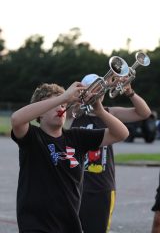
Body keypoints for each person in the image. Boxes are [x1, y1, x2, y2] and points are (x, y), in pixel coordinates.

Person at [10, 81, 129, 233]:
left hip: (69, 223)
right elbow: (16, 119)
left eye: (63, 104)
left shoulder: (76, 137)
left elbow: (122, 133)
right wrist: (64, 97)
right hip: (36, 225)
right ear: (40, 112)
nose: (61, 107)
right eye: (54, 104)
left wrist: (100, 111)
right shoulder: (32, 137)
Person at [67, 74, 151, 233]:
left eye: (101, 89)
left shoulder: (110, 112)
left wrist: (130, 92)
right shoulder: (74, 114)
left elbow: (144, 113)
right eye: (94, 89)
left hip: (102, 187)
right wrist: (76, 99)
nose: (98, 93)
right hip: (74, 185)